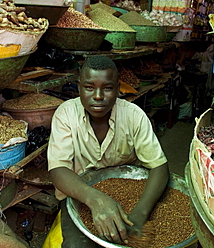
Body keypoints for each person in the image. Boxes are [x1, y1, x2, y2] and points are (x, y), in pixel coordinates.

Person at [43, 55, 169, 248]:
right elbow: (58, 170)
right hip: (80, 194)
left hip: (129, 193)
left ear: (118, 89)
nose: (99, 96)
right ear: (79, 87)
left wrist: (140, 214)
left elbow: (159, 166)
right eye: (89, 87)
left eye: (108, 88)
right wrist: (95, 199)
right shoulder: (66, 114)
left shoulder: (134, 116)